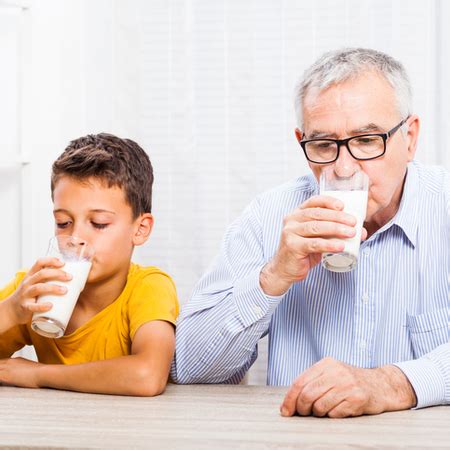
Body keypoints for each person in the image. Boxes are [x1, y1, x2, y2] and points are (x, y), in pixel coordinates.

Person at [172, 48, 449, 417]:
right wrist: (272, 278)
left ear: (410, 137)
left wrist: (392, 383)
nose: (345, 168)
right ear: (302, 141)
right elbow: (188, 368)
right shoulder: (270, 215)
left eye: (367, 140)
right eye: (323, 145)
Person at [0, 133, 179, 396]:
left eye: (99, 224)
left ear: (140, 229)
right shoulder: (36, 288)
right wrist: (11, 312)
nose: (77, 239)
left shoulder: (148, 287)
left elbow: (147, 375)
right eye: (63, 223)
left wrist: (38, 374)